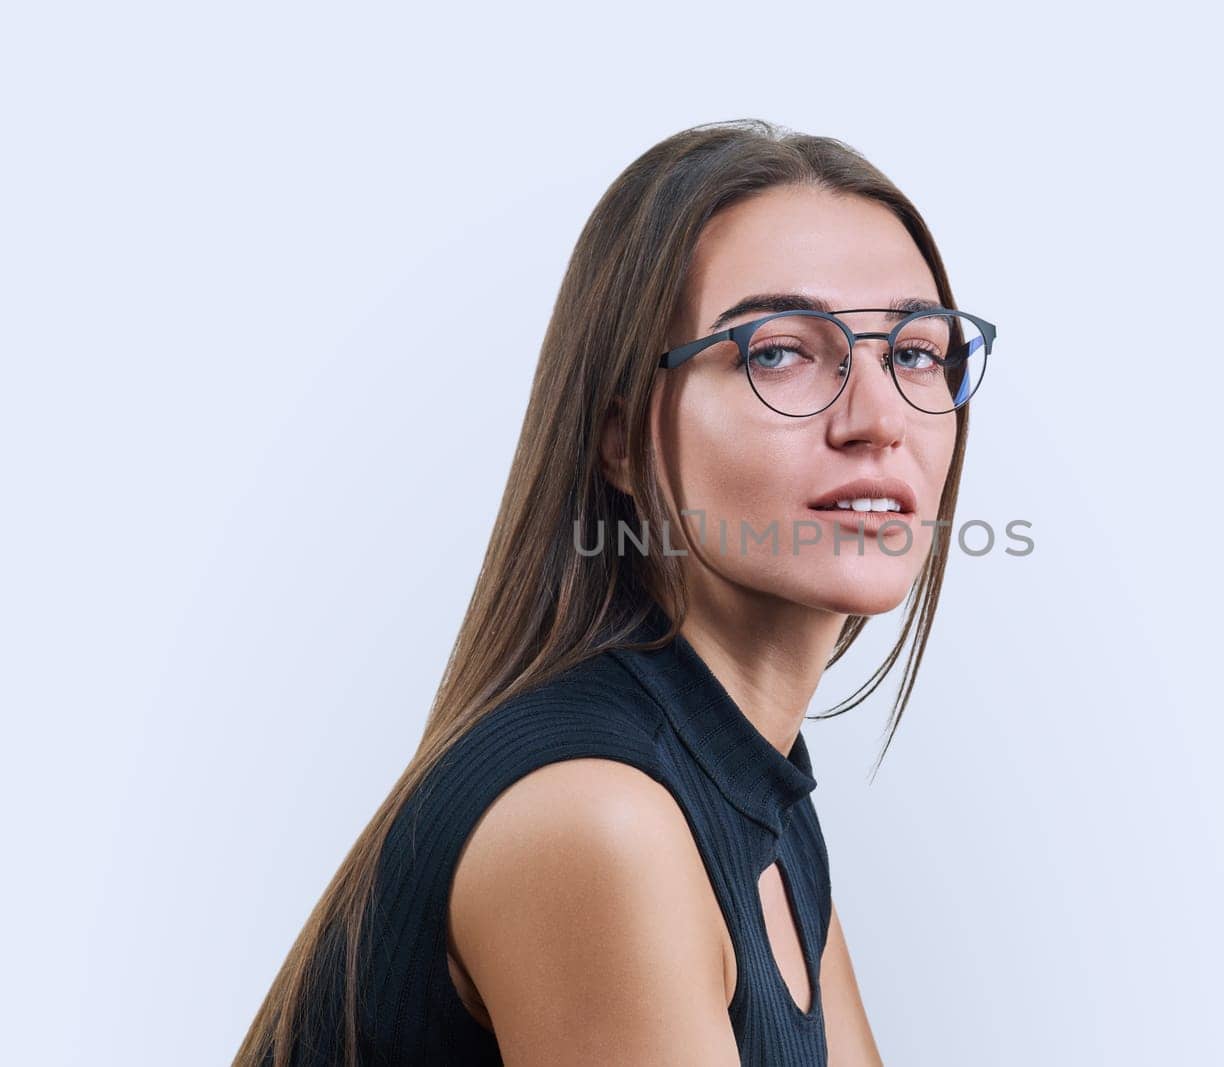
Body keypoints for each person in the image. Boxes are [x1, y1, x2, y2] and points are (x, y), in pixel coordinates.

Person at [235, 117, 994, 1066]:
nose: (879, 418)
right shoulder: (600, 820)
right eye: (779, 351)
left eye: (915, 353)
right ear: (621, 438)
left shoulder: (757, 787)